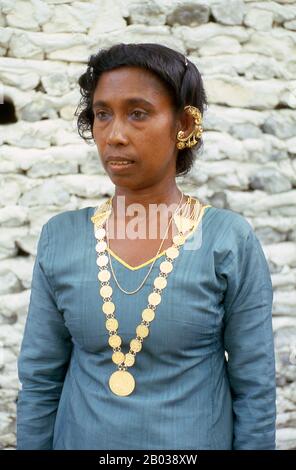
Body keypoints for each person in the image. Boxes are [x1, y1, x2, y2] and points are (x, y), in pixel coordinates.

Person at [16, 43, 276, 450]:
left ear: (184, 125)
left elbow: (255, 388)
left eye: (138, 113)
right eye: (103, 114)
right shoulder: (62, 237)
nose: (115, 134)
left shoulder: (227, 241)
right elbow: (40, 380)